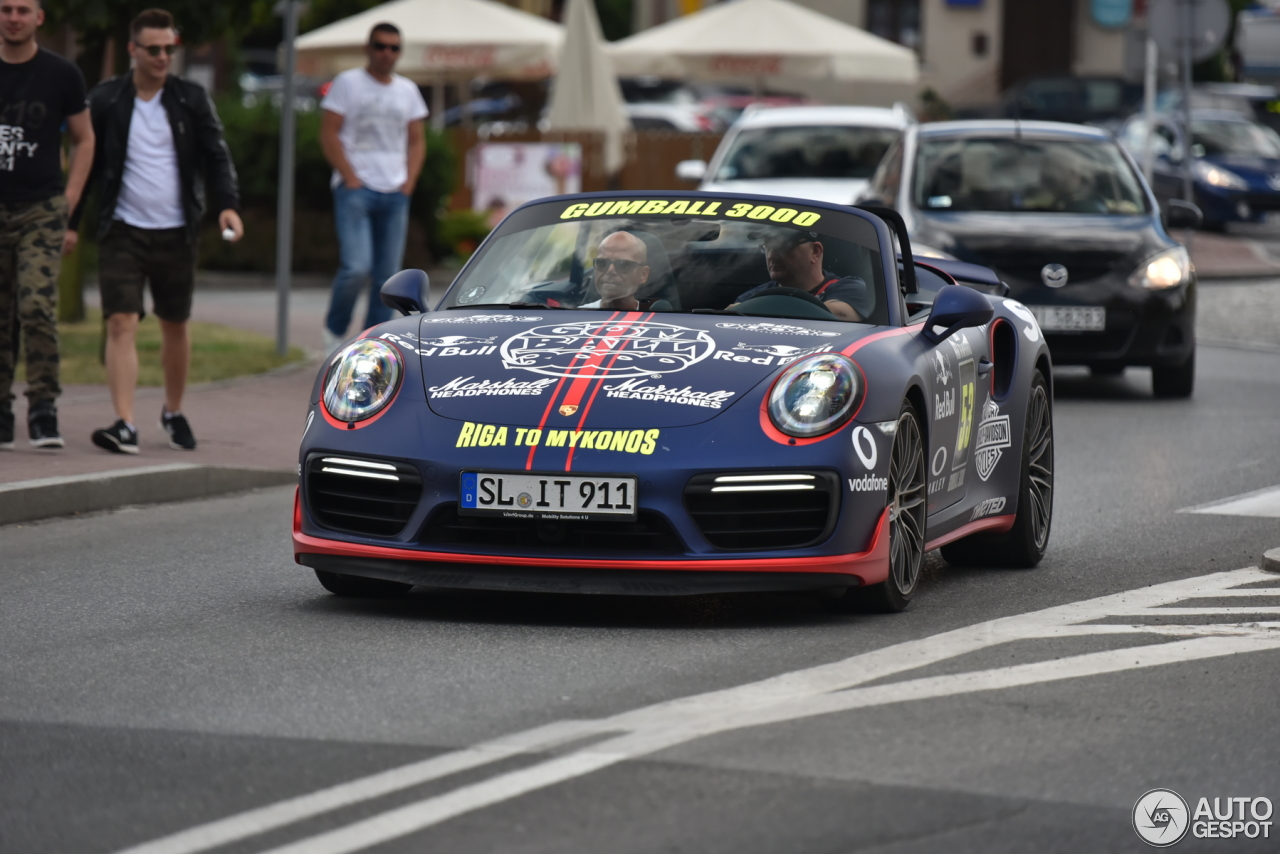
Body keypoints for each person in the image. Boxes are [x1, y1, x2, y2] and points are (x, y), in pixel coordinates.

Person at [70, 8, 243, 454]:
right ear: (133, 50)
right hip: (122, 228)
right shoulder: (107, 98)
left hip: (176, 230)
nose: (163, 56)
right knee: (121, 321)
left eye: (169, 48)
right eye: (153, 49)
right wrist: (70, 223)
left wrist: (227, 206)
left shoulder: (190, 98)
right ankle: (125, 423)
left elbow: (215, 155)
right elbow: (86, 166)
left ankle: (172, 410)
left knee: (174, 324)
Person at [0, 0, 94, 450]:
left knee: (35, 307)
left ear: (39, 17)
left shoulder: (62, 74)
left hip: (41, 209)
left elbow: (84, 138)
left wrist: (69, 202)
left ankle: (43, 408)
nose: (13, 17)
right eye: (5, 9)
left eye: (22, 9)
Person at [319, 22, 428, 353]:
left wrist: (408, 182)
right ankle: (335, 331)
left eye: (394, 48)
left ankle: (370, 342)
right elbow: (328, 133)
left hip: (394, 191)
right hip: (356, 189)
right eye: (380, 46)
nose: (386, 53)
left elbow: (417, 139)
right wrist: (350, 177)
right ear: (368, 48)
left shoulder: (407, 90)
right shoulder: (348, 83)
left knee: (387, 277)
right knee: (356, 267)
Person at [732, 229, 870, 322]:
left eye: (783, 246)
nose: (772, 255)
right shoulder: (753, 295)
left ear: (815, 252)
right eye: (767, 247)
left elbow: (838, 314)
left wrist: (746, 310)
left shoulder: (850, 289)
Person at [579, 231, 650, 310]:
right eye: (602, 263)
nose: (610, 270)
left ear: (643, 274)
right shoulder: (576, 317)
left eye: (623, 264)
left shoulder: (656, 319)